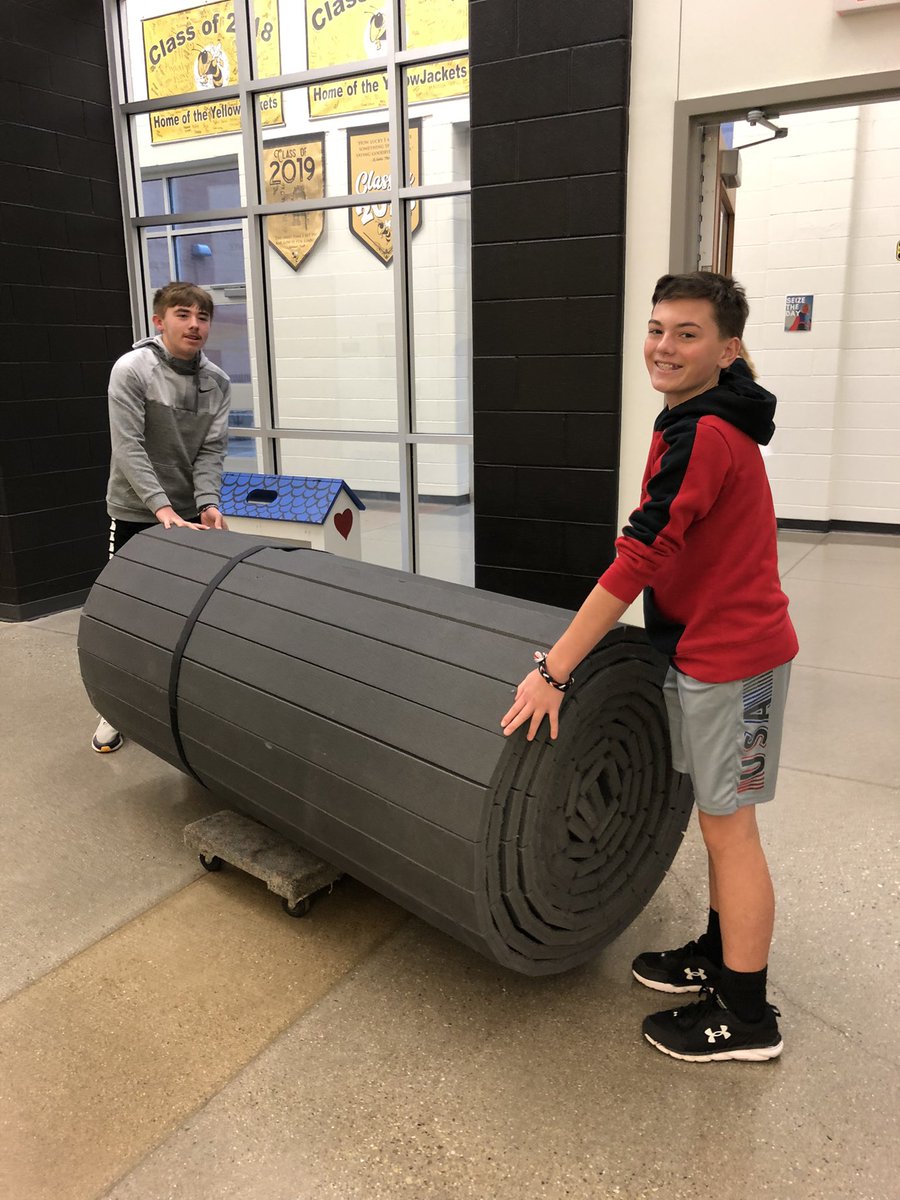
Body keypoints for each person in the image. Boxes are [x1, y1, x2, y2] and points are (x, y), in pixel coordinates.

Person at [501, 272, 798, 1063]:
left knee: (732, 833)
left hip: (736, 660)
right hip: (703, 648)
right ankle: (717, 950)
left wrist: (558, 668)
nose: (664, 347)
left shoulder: (705, 432)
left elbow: (639, 556)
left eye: (687, 334)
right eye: (658, 328)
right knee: (717, 821)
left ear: (727, 349)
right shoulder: (695, 418)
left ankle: (746, 1014)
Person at [92, 281, 231, 754]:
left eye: (203, 317)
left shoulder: (217, 382)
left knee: (185, 613)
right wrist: (161, 509)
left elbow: (211, 449)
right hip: (136, 512)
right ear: (159, 320)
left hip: (189, 516)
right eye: (183, 314)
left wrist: (208, 502)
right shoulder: (132, 370)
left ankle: (177, 703)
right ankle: (113, 709)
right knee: (125, 613)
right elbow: (127, 446)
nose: (195, 324)